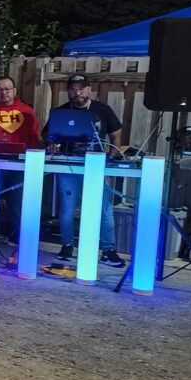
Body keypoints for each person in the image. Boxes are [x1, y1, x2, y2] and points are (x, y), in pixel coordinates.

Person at [46, 74, 125, 267]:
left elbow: (116, 134)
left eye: (81, 88)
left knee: (104, 209)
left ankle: (108, 251)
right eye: (73, 89)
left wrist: (113, 154)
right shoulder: (62, 111)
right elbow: (48, 136)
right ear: (68, 92)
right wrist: (51, 145)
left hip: (96, 166)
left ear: (89, 90)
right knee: (67, 207)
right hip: (68, 165)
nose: (77, 93)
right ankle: (67, 246)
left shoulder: (102, 110)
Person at [0, 76, 41, 242]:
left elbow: (34, 138)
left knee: (18, 204)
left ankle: (17, 239)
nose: (4, 93)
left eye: (7, 89)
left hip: (20, 165)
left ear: (14, 91)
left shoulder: (27, 112)